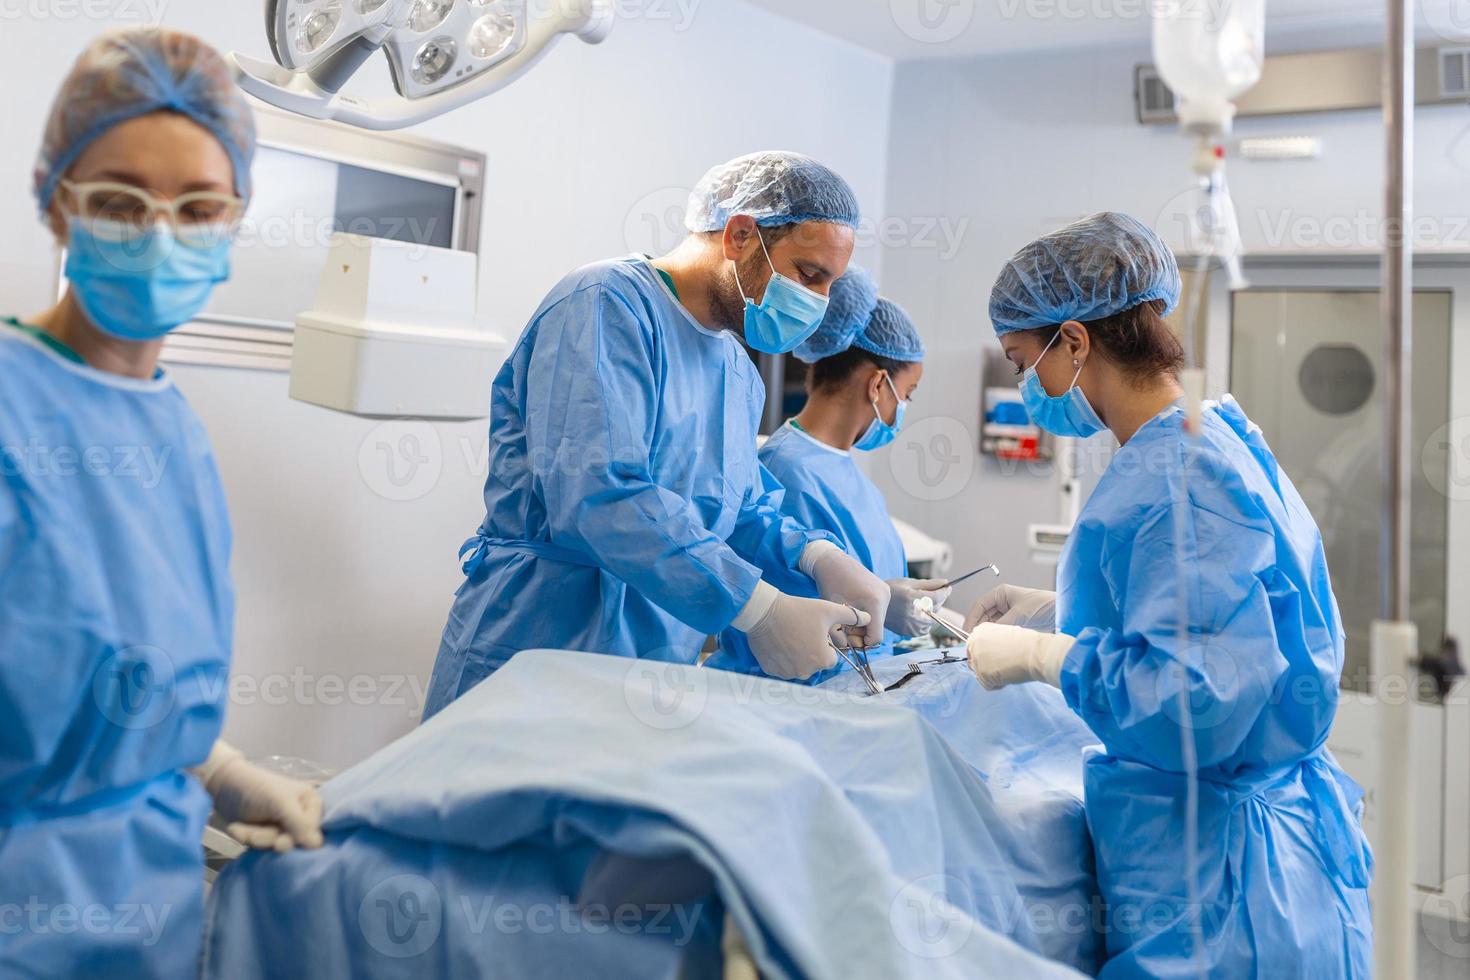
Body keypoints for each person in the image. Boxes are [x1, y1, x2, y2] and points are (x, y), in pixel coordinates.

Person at [964, 213, 1372, 976]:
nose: (1029, 387)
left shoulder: (1174, 477)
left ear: (1076, 342)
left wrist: (1041, 656)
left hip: (1221, 894)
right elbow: (1225, 618)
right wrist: (1055, 609)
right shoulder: (1209, 438)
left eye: (1025, 362)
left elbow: (1198, 699)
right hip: (1269, 866)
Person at [1, 29, 323, 977]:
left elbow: (123, 669)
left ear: (233, 223)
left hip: (152, 902)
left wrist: (213, 770)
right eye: (117, 201)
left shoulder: (171, 430)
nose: (157, 232)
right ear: (58, 204)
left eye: (196, 208)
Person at [423, 152, 892, 720]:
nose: (816, 303)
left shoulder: (736, 370)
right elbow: (599, 496)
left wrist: (817, 558)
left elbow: (740, 512)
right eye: (808, 274)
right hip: (538, 645)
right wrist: (757, 608)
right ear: (742, 234)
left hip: (652, 667)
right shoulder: (604, 304)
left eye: (828, 285)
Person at [709, 268, 951, 680]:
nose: (903, 410)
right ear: (877, 385)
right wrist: (876, 611)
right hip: (798, 701)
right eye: (906, 395)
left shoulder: (849, 475)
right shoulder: (785, 473)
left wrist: (896, 605)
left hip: (864, 689)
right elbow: (795, 629)